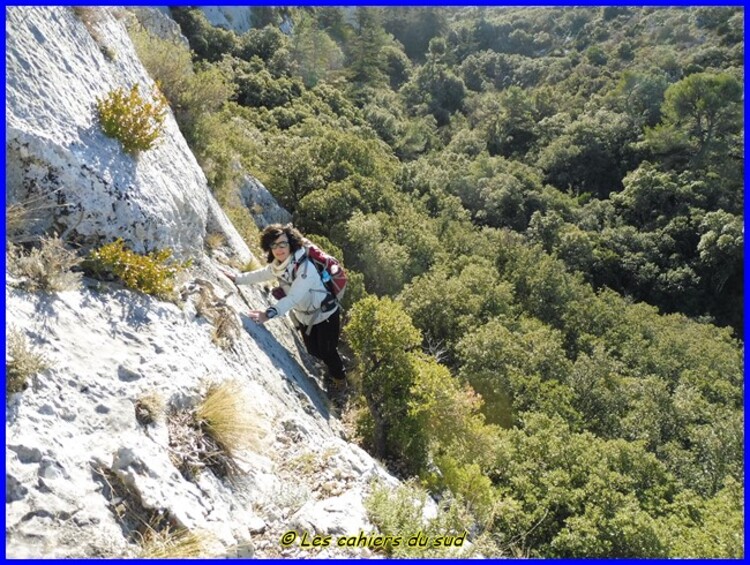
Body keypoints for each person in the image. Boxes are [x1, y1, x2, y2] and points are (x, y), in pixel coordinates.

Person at [222, 224, 347, 394]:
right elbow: (262, 274)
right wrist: (237, 279)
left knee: (327, 351)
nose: (279, 249)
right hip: (304, 316)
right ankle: (330, 368)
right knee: (313, 350)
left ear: (291, 244)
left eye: (282, 244)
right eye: (274, 245)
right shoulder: (279, 265)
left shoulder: (305, 268)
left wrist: (267, 314)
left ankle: (340, 381)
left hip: (326, 313)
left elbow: (293, 297)